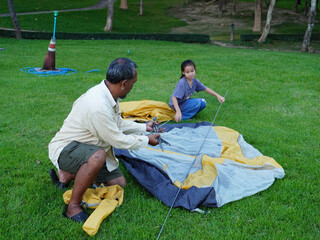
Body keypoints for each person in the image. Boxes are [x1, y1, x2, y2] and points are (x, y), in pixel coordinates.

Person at [48, 58, 160, 223]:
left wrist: (144, 128)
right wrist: (146, 140)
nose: (133, 87)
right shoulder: (98, 106)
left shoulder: (110, 94)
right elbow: (117, 140)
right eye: (133, 83)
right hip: (67, 149)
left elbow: (118, 123)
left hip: (89, 147)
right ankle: (73, 206)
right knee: (98, 156)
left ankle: (67, 175)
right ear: (123, 83)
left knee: (120, 184)